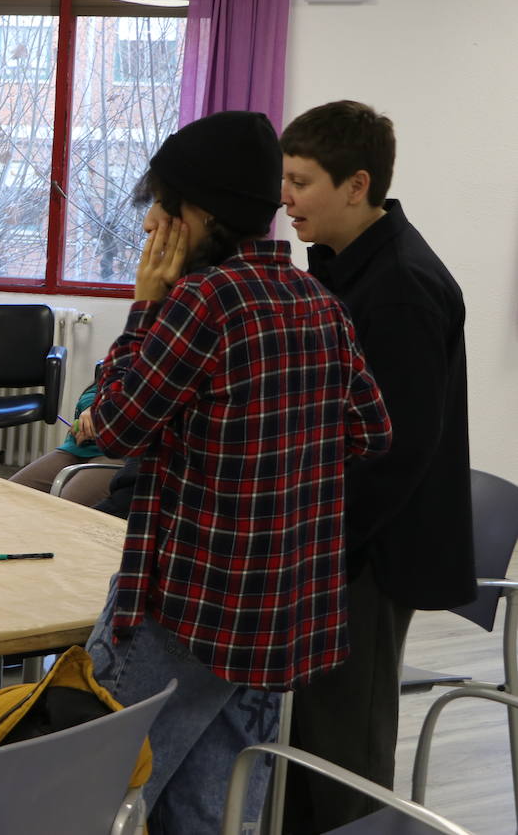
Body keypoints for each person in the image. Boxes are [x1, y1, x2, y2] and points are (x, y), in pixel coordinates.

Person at [82, 110, 393, 832]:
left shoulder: (200, 303)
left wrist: (144, 306)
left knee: (96, 801)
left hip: (185, 608)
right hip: (276, 617)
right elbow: (372, 430)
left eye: (162, 206)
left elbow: (119, 425)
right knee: (217, 815)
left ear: (195, 217)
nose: (152, 222)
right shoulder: (320, 302)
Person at [280, 101, 474, 832]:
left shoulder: (396, 286)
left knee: (345, 754)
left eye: (301, 182)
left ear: (356, 185)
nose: (286, 198)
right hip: (342, 541)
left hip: (368, 555)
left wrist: (325, 540)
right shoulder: (343, 265)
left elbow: (395, 447)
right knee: (310, 738)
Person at [8, 362, 124, 498]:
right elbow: (93, 391)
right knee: (11, 492)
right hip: (79, 447)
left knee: (68, 502)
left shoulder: (150, 362)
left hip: (119, 453)